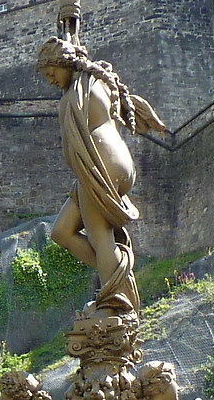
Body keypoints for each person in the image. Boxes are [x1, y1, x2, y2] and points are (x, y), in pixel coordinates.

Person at [37, 33, 168, 313]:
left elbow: (72, 138)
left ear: (65, 63)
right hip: (118, 160)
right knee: (62, 232)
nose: (50, 80)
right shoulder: (99, 82)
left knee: (100, 236)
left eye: (51, 72)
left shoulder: (75, 94)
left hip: (99, 161)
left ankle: (114, 301)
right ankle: (119, 276)